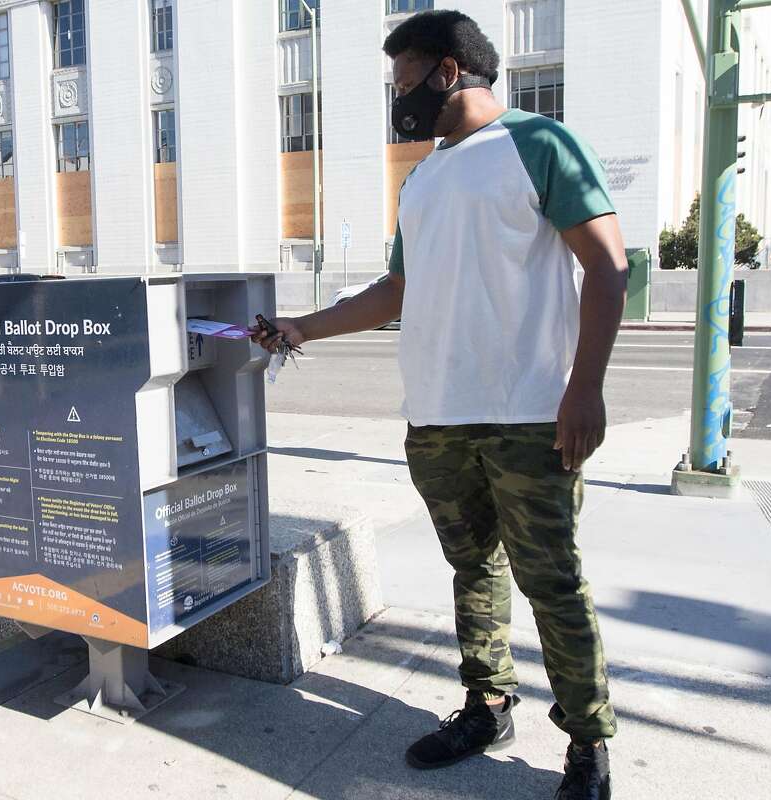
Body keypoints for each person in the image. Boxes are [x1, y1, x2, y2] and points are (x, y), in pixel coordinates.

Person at [253, 11, 624, 800]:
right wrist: (300, 328)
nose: (401, 99)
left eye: (405, 79)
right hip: (437, 418)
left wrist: (584, 386)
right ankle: (487, 704)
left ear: (449, 72)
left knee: (552, 580)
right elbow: (395, 289)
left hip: (529, 414)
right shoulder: (421, 179)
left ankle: (588, 746)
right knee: (472, 570)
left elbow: (609, 265)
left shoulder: (540, 144)